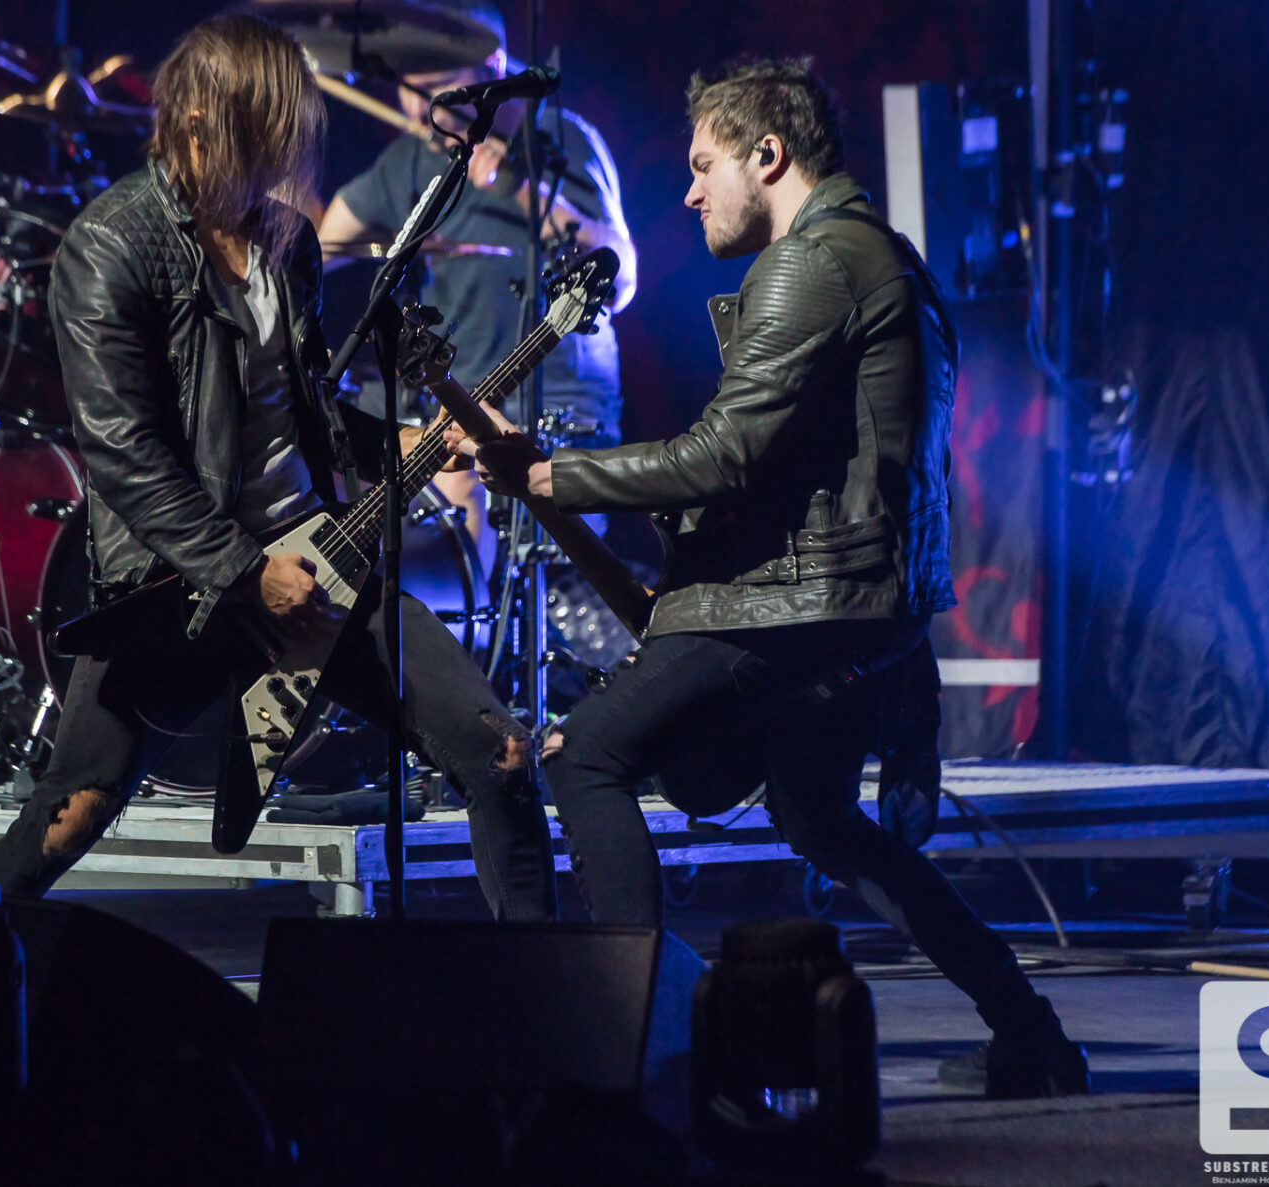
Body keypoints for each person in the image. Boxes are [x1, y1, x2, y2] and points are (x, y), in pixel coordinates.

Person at [449, 58, 1090, 1096]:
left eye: (704, 165)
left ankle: (642, 1056)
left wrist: (551, 474)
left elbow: (724, 456)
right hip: (861, 601)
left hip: (803, 603)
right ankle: (1036, 1036)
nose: (689, 192)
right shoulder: (887, 256)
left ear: (768, 155)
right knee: (824, 822)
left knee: (585, 753)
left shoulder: (811, 263)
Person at [0, 14, 556, 920]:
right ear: (199, 122)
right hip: (181, 581)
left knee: (503, 753)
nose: (286, 151)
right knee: (71, 812)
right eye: (268, 128)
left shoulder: (286, 241)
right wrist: (248, 572)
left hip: (315, 564)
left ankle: (553, 990)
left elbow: (312, 410)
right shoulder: (112, 244)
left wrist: (420, 439)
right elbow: (124, 455)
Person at [315, 0, 637, 563]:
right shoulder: (413, 156)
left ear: (491, 66)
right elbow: (318, 248)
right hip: (457, 406)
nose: (413, 106)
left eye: (433, 82)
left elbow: (623, 277)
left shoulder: (561, 140)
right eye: (406, 85)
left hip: (556, 411)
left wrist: (520, 189)